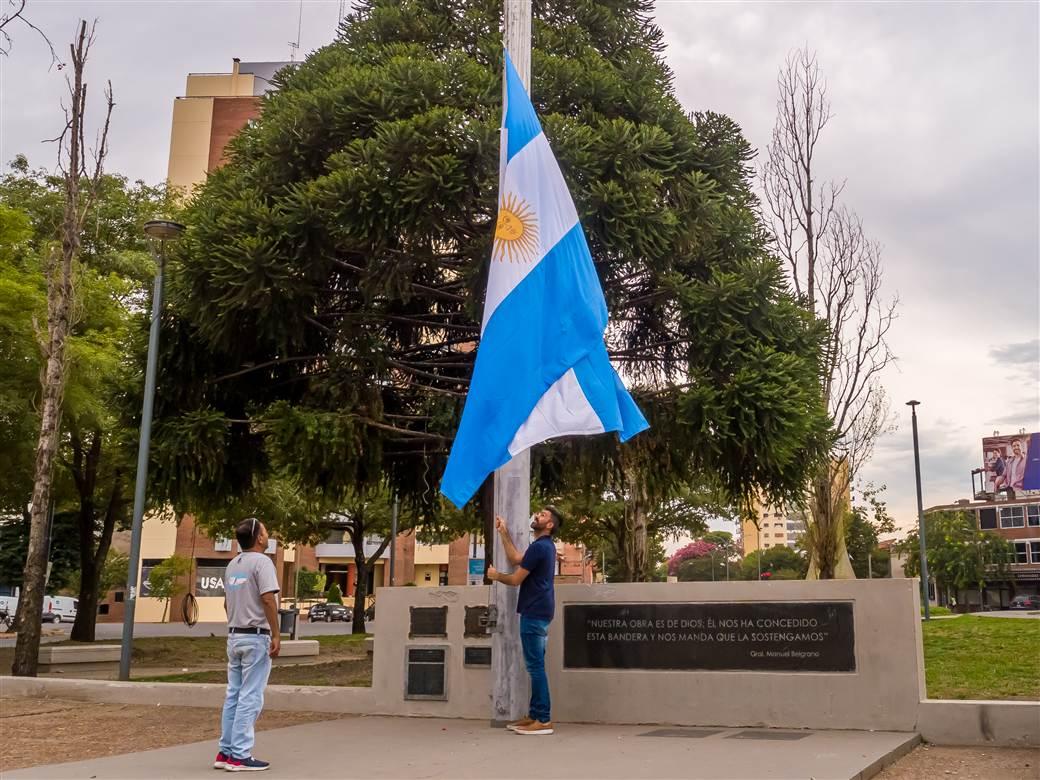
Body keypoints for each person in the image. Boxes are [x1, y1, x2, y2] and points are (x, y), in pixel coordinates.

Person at [486, 505, 563, 736]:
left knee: (535, 667)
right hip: (539, 610)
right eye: (538, 512)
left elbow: (516, 579)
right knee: (535, 665)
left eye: (543, 515)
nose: (537, 515)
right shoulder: (542, 547)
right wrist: (503, 532)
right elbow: (516, 558)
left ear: (549, 525)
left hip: (535, 611)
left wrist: (496, 575)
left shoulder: (541, 547)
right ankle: (535, 715)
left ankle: (544, 719)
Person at [214, 518, 281, 772]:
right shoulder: (262, 562)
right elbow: (267, 599)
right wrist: (276, 634)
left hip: (234, 636)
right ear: (259, 538)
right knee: (250, 696)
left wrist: (235, 624)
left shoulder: (233, 564)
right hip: (255, 636)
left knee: (233, 694)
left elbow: (226, 604)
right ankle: (240, 754)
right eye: (265, 530)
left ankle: (225, 751)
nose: (267, 533)